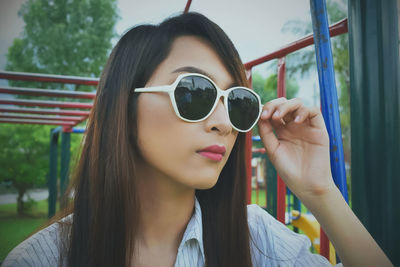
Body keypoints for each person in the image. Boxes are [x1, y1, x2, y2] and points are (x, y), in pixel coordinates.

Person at [2, 12, 393, 267]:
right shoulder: (43, 259)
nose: (224, 123)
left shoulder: (257, 240)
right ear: (124, 104)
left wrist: (321, 191)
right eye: (195, 92)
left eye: (237, 102)